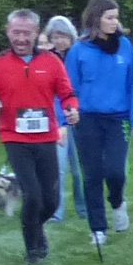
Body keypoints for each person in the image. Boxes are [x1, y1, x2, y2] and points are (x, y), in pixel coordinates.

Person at [0, 9, 78, 264]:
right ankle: (33, 248)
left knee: (51, 201)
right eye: (16, 32)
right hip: (15, 137)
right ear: (8, 32)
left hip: (46, 137)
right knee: (32, 195)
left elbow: (67, 93)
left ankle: (34, 228)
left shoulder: (51, 62)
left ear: (36, 33)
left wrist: (71, 109)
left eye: (27, 33)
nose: (21, 38)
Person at [65, 0, 133, 250]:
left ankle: (117, 201)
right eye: (109, 17)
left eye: (116, 17)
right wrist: (70, 112)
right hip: (87, 118)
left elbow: (132, 83)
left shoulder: (125, 46)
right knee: (91, 174)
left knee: (115, 171)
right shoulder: (79, 50)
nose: (115, 22)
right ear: (95, 19)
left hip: (118, 118)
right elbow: (69, 88)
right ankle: (98, 228)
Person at [44, 15, 82, 222]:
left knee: (79, 171)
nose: (59, 40)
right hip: (56, 120)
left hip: (78, 117)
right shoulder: (46, 58)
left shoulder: (78, 56)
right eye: (55, 36)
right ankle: (56, 212)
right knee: (58, 168)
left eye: (63, 36)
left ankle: (83, 209)